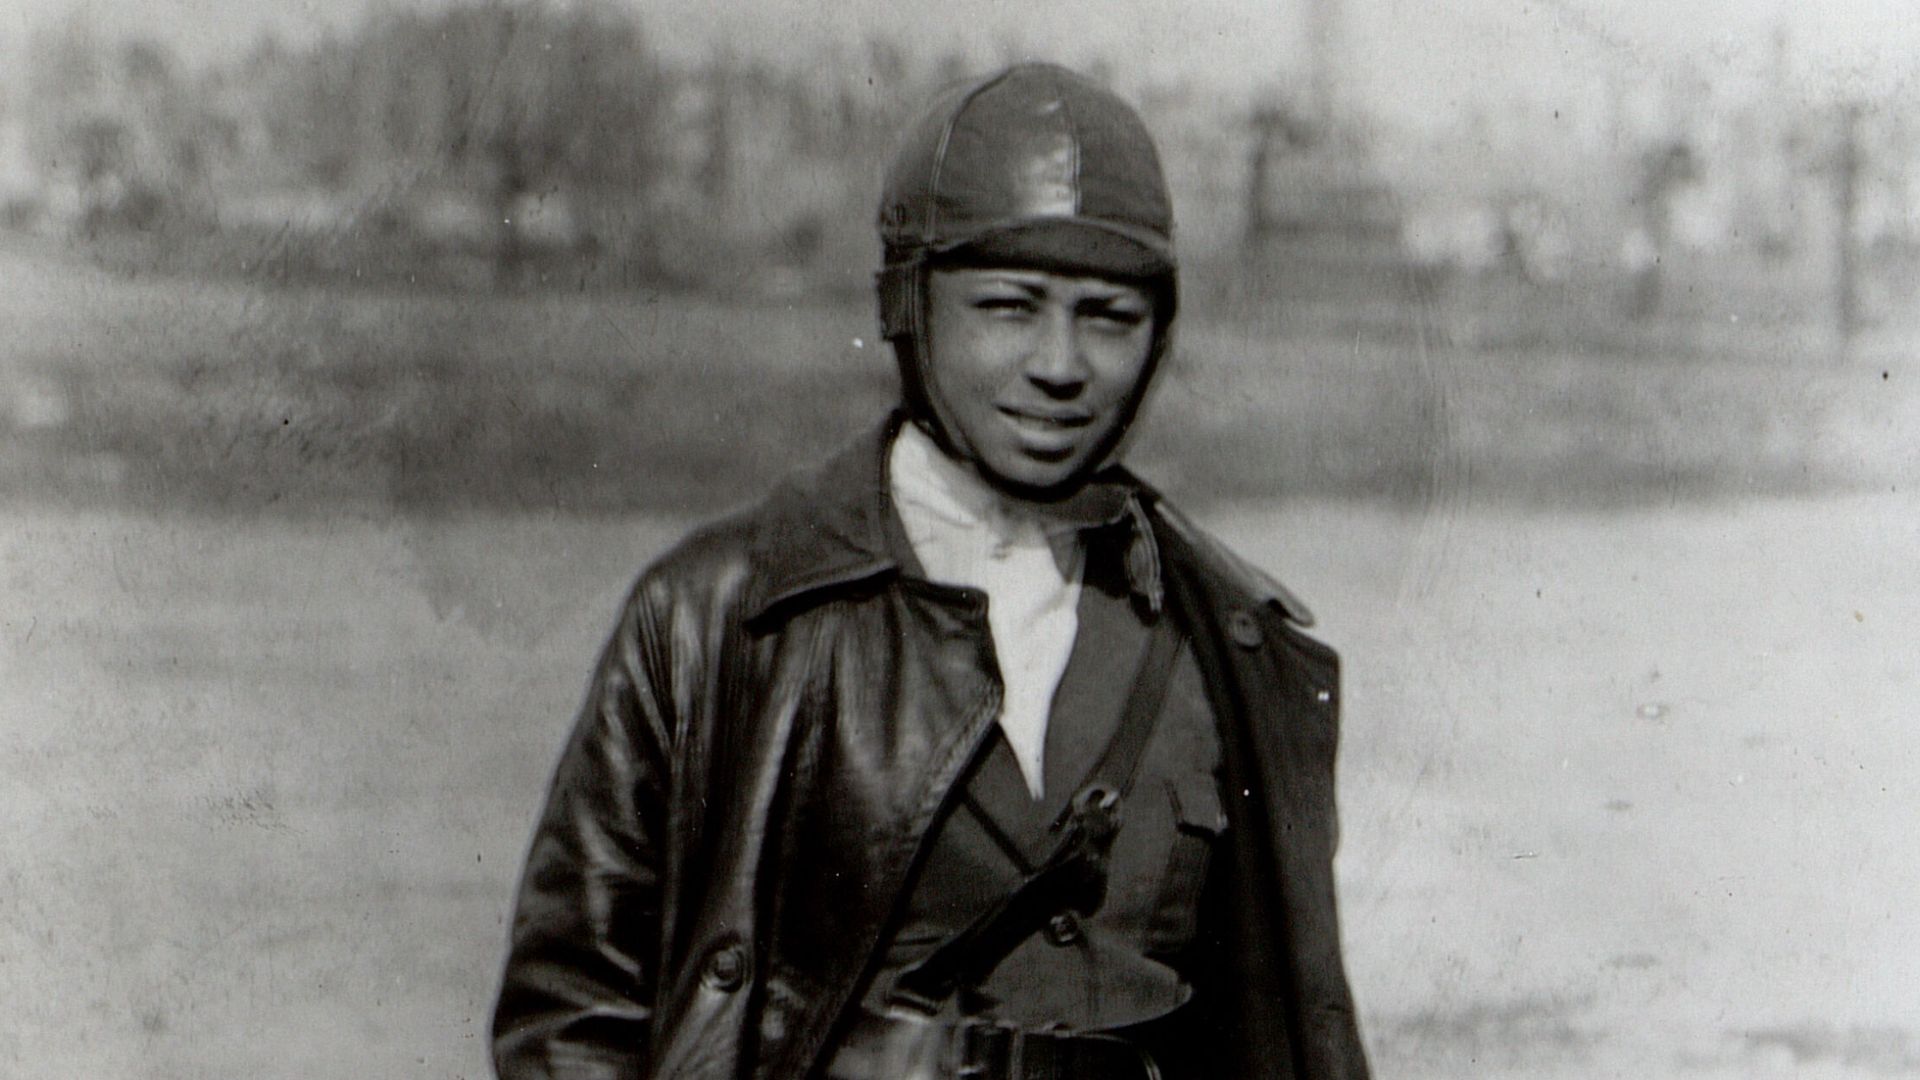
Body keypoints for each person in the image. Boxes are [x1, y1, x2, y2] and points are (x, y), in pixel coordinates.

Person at [492, 62, 1370, 1080]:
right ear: (911, 307)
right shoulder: (720, 615)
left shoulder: (1234, 641)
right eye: (1008, 306)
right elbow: (569, 1021)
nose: (1060, 364)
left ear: (1158, 338)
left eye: (1109, 317)